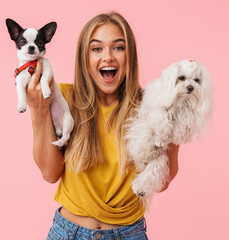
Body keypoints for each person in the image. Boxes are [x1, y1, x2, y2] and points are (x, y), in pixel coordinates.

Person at [26, 12, 179, 240]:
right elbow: (50, 173)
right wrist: (38, 112)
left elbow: (162, 182)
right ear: (84, 57)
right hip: (68, 232)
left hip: (129, 233)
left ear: (130, 56)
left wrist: (173, 123)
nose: (108, 57)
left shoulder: (151, 105)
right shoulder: (62, 98)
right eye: (96, 49)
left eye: (118, 47)